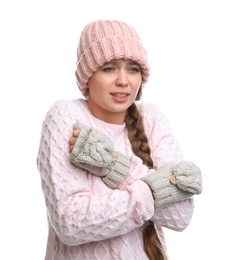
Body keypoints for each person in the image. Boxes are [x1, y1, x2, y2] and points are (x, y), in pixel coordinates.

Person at [37, 19, 202, 260]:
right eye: (109, 68)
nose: (123, 80)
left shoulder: (152, 119)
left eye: (133, 68)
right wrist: (156, 189)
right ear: (87, 76)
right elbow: (70, 223)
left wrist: (113, 167)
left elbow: (180, 216)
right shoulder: (66, 116)